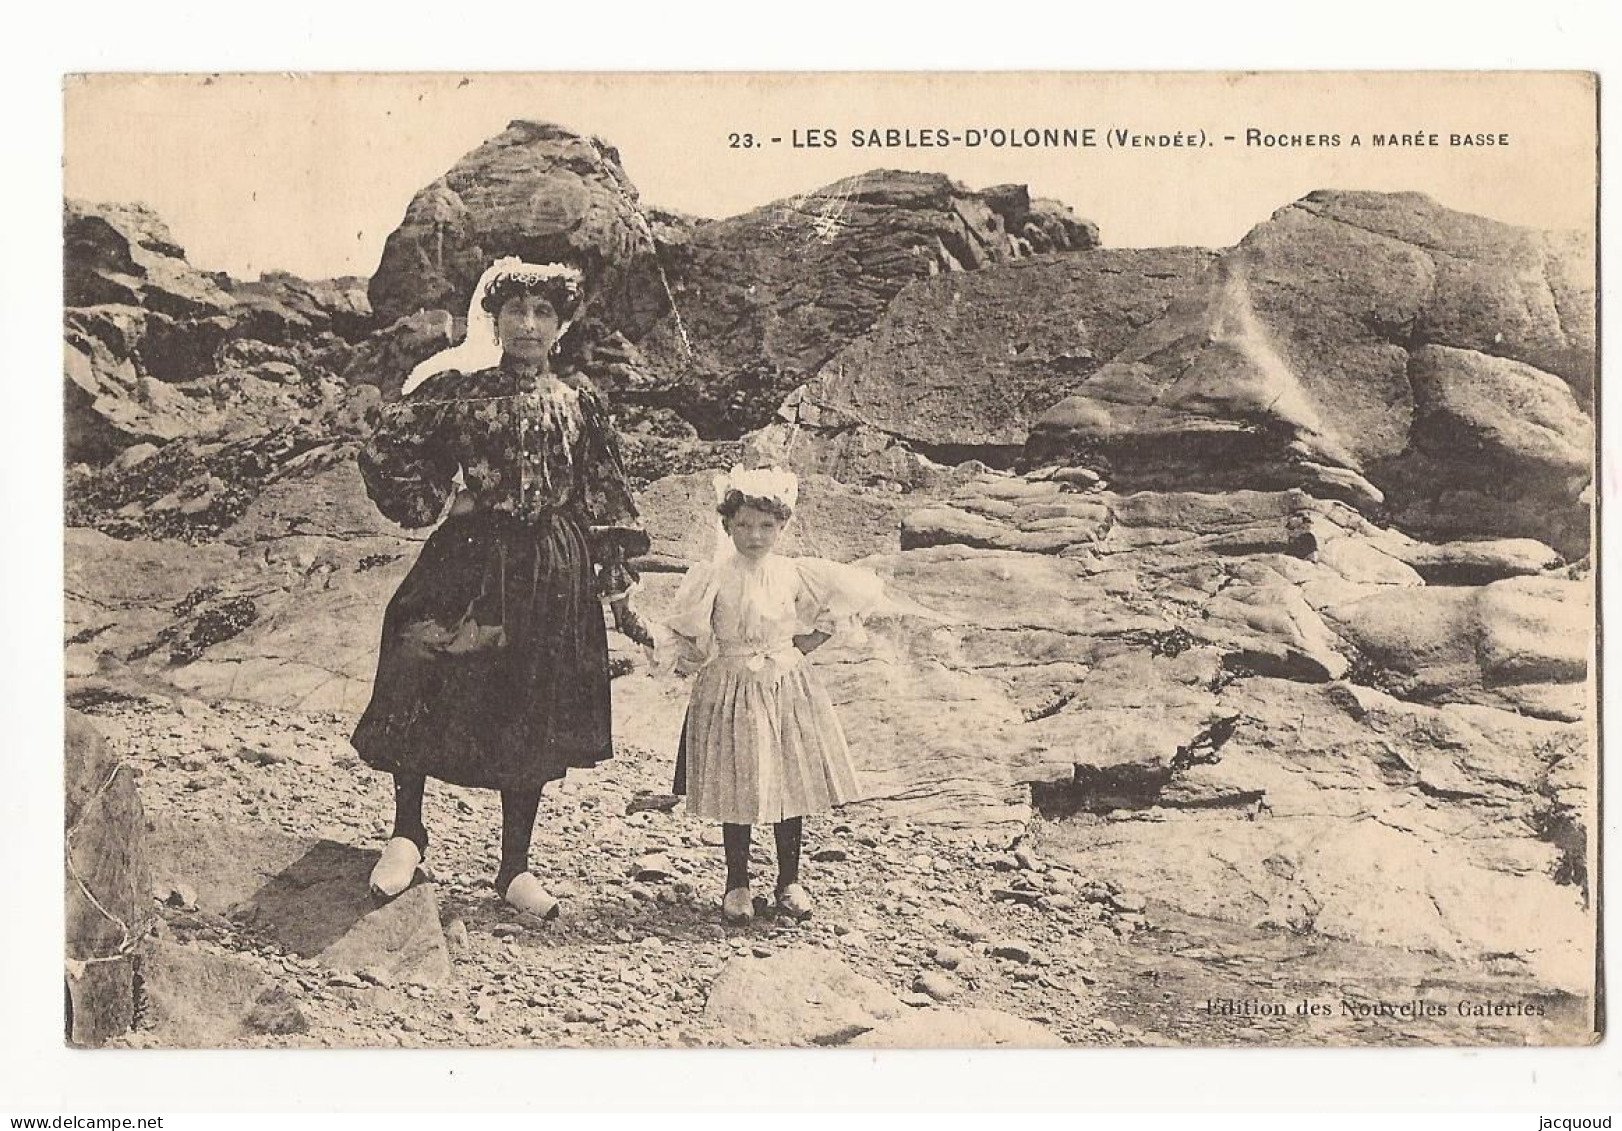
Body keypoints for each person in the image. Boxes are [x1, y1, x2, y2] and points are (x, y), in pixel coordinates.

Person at [351, 256, 652, 919]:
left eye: (543, 312)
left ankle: (514, 866)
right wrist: (443, 495)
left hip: (550, 566)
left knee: (531, 703)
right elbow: (387, 448)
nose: (528, 323)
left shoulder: (579, 403)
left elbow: (605, 490)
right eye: (515, 309)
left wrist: (613, 574)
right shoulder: (462, 391)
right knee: (417, 656)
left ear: (561, 325)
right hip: (468, 556)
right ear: (495, 318)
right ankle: (407, 831)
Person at [657, 466, 892, 923]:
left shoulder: (793, 573)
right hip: (731, 684)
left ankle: (789, 880)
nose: (754, 536)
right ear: (726, 526)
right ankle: (737, 884)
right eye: (742, 525)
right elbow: (688, 634)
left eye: (766, 526)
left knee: (789, 782)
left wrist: (803, 646)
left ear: (783, 526)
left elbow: (848, 599)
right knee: (737, 781)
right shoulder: (714, 575)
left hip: (785, 683)